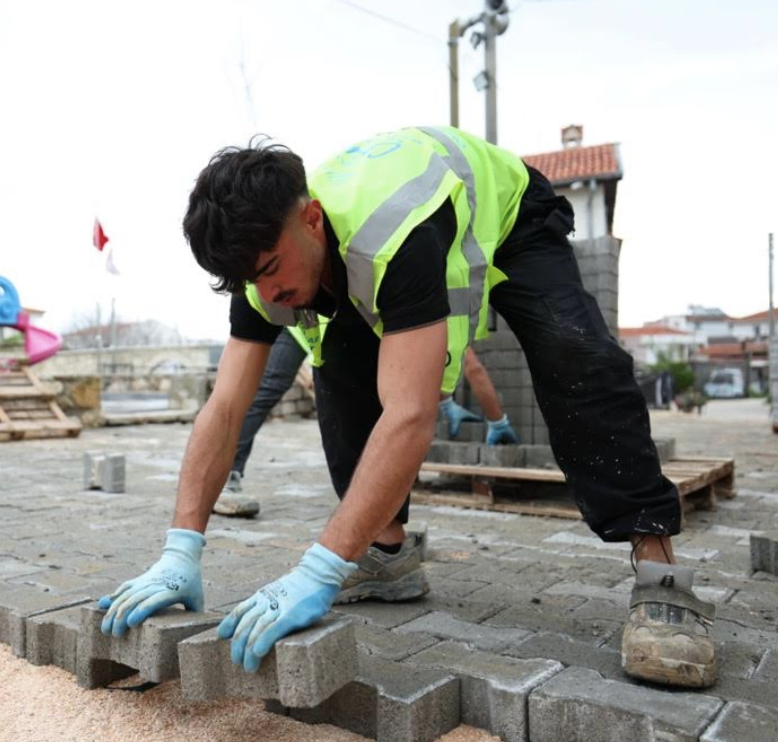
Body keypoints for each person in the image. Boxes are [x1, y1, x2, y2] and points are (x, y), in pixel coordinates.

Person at [99, 127, 716, 689]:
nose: (267, 294)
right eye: (247, 282)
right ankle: (387, 556)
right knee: (339, 365)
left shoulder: (395, 234)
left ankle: (659, 572)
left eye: (268, 270)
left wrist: (318, 570)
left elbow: (411, 413)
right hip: (373, 242)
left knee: (573, 351)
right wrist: (180, 550)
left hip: (509, 215)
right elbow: (225, 407)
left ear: (311, 219)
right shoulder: (260, 265)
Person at [215, 338, 517, 518]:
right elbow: (466, 367)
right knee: (271, 387)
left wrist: (446, 402)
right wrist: (497, 420)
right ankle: (227, 475)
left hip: (328, 316)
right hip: (303, 318)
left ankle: (372, 510)